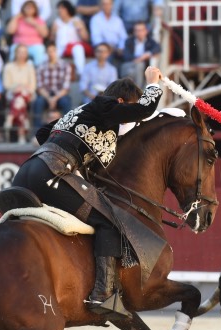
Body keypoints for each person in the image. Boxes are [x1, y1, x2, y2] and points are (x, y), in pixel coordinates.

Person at [11, 66, 164, 317]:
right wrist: (153, 83)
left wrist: (68, 155)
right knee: (110, 221)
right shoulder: (105, 105)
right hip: (52, 174)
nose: (129, 119)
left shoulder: (82, 112)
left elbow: (42, 132)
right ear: (121, 101)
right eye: (129, 109)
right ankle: (102, 295)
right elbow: (145, 109)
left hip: (29, 171)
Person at [31, 42, 71, 128]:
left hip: (60, 95)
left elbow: (66, 88)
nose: (51, 53)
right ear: (46, 53)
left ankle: (67, 129)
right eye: (49, 51)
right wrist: (49, 98)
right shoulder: (41, 66)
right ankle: (37, 131)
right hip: (46, 95)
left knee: (66, 102)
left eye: (53, 51)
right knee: (38, 102)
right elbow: (40, 87)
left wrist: (54, 98)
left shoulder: (65, 65)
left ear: (57, 51)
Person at [2, 43, 36, 143]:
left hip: (27, 93)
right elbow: (6, 84)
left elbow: (33, 86)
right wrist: (16, 88)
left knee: (20, 97)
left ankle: (11, 116)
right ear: (15, 53)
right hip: (12, 93)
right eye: (20, 52)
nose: (22, 55)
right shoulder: (8, 67)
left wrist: (23, 88)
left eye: (24, 52)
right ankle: (22, 135)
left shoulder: (30, 67)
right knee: (19, 99)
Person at [51, 0, 91, 75]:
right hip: (60, 48)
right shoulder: (56, 22)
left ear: (68, 9)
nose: (60, 10)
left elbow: (86, 38)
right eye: (59, 8)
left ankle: (81, 72)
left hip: (73, 47)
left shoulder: (77, 20)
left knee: (78, 48)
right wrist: (54, 32)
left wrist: (79, 28)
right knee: (50, 54)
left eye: (62, 8)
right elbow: (51, 40)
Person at [118, 21, 160, 88]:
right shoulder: (129, 41)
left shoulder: (150, 41)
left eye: (141, 30)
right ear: (134, 32)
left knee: (137, 68)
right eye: (137, 30)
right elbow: (127, 56)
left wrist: (146, 55)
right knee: (136, 68)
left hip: (142, 67)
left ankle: (137, 89)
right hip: (129, 64)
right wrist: (141, 58)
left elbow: (157, 48)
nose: (139, 32)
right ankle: (138, 89)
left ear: (146, 31)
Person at [6, 0, 47, 66]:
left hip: (35, 45)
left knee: (40, 50)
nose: (29, 9)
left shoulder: (39, 20)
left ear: (35, 10)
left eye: (31, 8)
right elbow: (10, 31)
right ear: (23, 8)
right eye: (27, 7)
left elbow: (45, 34)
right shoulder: (18, 19)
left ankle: (39, 69)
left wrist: (34, 23)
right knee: (14, 48)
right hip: (19, 44)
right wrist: (16, 18)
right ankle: (13, 68)